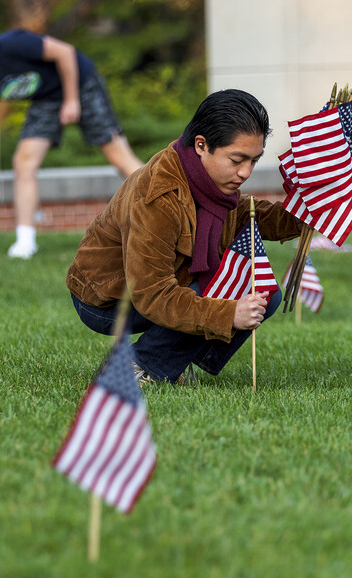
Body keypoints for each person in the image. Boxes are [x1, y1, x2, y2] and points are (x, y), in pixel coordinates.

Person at [66, 89, 302, 384]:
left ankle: (173, 359)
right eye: (237, 160)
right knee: (230, 295)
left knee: (262, 291)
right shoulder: (158, 197)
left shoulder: (206, 179)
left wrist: (311, 211)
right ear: (202, 144)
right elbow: (152, 294)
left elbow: (252, 215)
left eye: (254, 161)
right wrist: (226, 314)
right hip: (107, 301)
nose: (245, 172)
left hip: (158, 286)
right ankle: (135, 367)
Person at [0, 28, 143, 258]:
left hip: (80, 84)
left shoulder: (13, 45)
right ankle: (25, 242)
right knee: (23, 163)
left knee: (118, 157)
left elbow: (65, 52)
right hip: (45, 100)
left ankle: (170, 206)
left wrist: (71, 101)